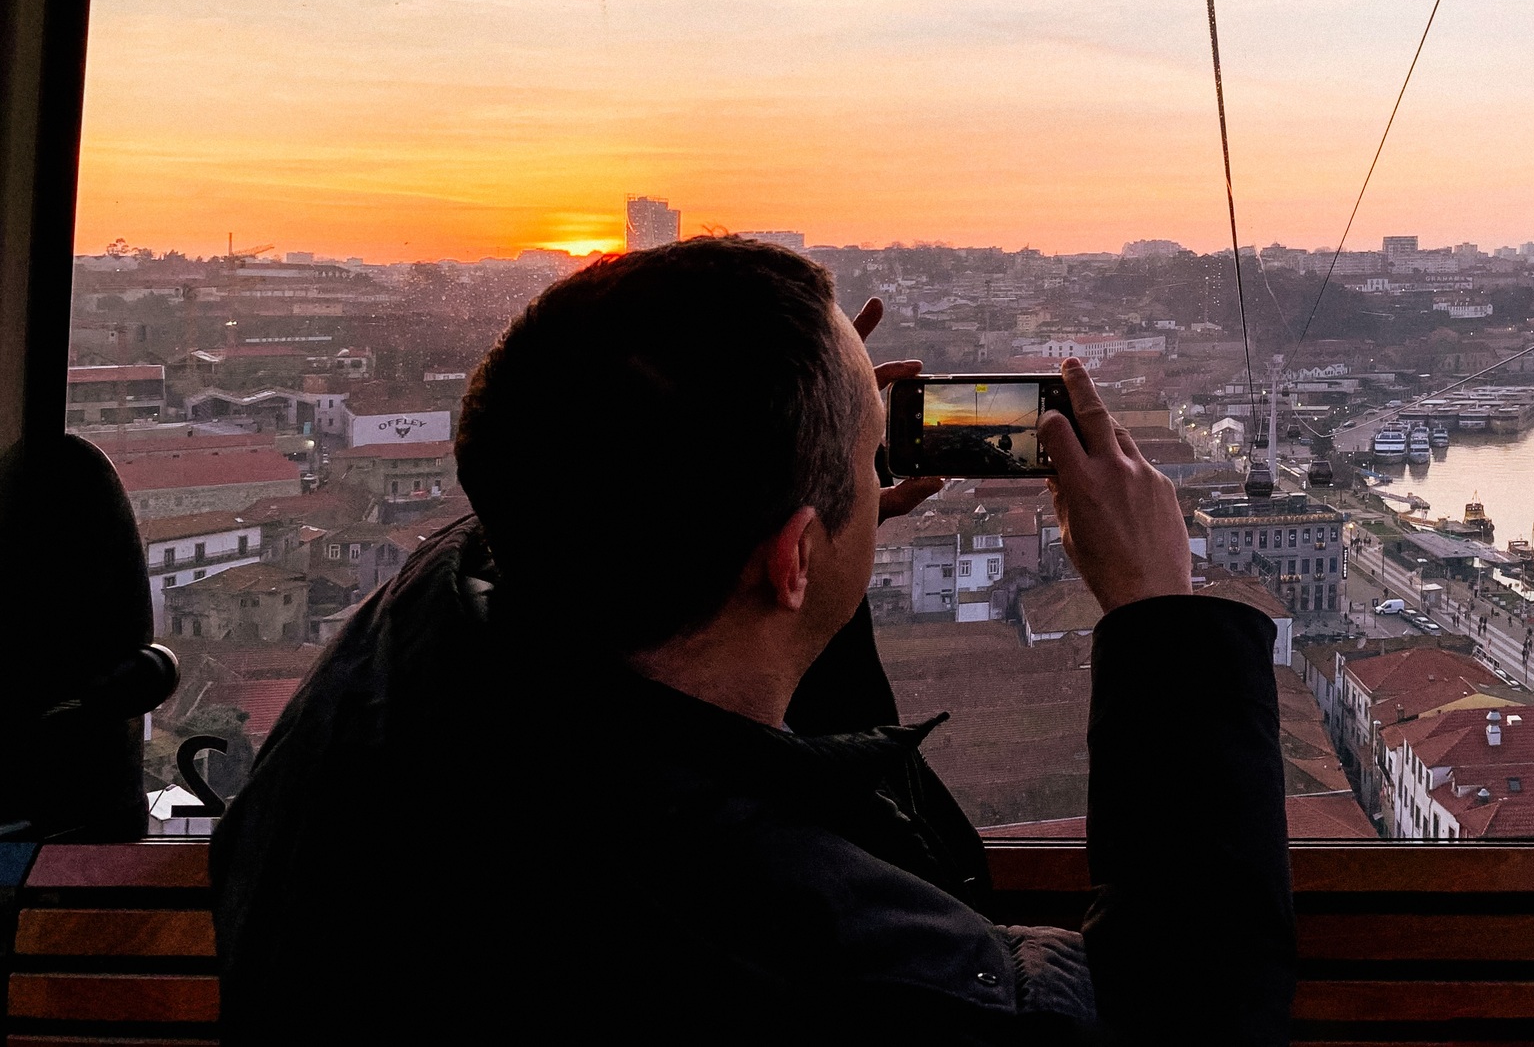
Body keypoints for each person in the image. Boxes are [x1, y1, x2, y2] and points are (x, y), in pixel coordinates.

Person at [210, 239, 1295, 1045]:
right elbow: (1191, 1036)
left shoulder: (381, 684)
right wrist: (1162, 620)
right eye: (866, 460)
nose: (875, 469)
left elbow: (602, 467)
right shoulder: (838, 968)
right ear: (788, 561)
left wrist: (793, 470)